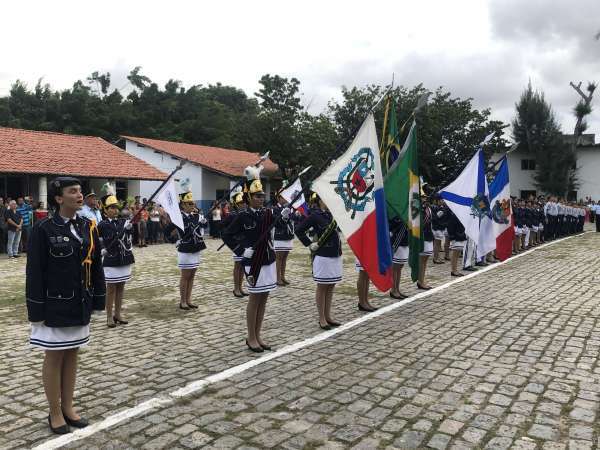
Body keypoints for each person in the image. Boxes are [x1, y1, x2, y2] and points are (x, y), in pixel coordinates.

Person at [26, 176, 105, 435]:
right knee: (55, 355)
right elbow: (35, 272)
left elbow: (96, 266)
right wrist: (36, 311)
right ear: (59, 198)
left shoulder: (88, 226)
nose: (79, 195)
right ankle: (55, 411)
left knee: (72, 353)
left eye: (80, 191)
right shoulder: (44, 229)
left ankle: (69, 407)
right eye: (73, 192)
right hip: (54, 305)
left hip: (79, 302)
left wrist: (97, 300)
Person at [222, 164, 281, 352]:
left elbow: (277, 223)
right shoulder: (242, 216)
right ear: (248, 197)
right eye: (257, 196)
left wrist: (285, 215)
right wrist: (241, 250)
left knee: (264, 298)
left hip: (268, 259)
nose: (261, 199)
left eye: (262, 196)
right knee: (255, 299)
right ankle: (251, 337)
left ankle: (258, 334)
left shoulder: (267, 213)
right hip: (253, 262)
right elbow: (227, 235)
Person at [296, 193, 342, 329]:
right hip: (323, 255)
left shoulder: (331, 214)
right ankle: (321, 318)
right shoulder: (315, 215)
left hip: (335, 254)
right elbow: (299, 230)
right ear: (320, 201)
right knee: (322, 287)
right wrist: (309, 244)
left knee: (331, 285)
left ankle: (328, 316)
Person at [98, 193, 134, 328]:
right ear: (105, 210)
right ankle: (109, 316)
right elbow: (97, 240)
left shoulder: (123, 222)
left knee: (121, 287)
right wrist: (102, 249)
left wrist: (130, 229)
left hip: (123, 258)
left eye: (115, 207)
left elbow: (129, 237)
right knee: (111, 288)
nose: (114, 210)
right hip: (110, 259)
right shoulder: (102, 225)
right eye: (111, 207)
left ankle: (118, 314)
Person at [174, 191, 207, 310]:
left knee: (192, 275)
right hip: (185, 249)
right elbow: (168, 230)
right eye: (189, 204)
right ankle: (182, 301)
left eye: (193, 203)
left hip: (196, 247)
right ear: (183, 205)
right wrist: (175, 240)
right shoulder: (179, 217)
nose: (192, 205)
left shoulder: (196, 216)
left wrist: (204, 223)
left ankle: (188, 299)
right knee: (185, 275)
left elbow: (204, 226)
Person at [221, 187, 248, 298]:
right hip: (237, 244)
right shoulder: (232, 215)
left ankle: (240, 287)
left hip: (245, 243)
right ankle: (236, 288)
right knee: (238, 266)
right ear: (236, 204)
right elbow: (222, 226)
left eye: (244, 202)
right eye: (241, 203)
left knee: (243, 266)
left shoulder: (245, 214)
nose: (243, 204)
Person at [274, 188, 295, 286]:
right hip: (280, 236)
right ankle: (277, 278)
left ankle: (282, 276)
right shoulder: (275, 209)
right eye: (283, 197)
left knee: (284, 258)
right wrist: (283, 216)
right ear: (278, 198)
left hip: (288, 235)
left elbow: (293, 219)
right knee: (279, 258)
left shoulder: (288, 207)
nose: (285, 199)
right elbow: (276, 222)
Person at [417, 196, 434, 290]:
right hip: (422, 235)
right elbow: (421, 222)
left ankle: (422, 280)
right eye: (423, 197)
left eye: (426, 197)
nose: (425, 199)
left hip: (428, 235)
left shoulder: (428, 208)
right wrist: (422, 209)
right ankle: (420, 281)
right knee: (422, 260)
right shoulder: (420, 208)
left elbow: (431, 220)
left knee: (425, 260)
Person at [446, 208, 466, 277]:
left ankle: (455, 269)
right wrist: (452, 237)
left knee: (457, 254)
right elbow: (450, 227)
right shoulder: (454, 215)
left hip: (461, 235)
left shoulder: (461, 215)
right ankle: (453, 270)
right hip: (456, 237)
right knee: (455, 253)